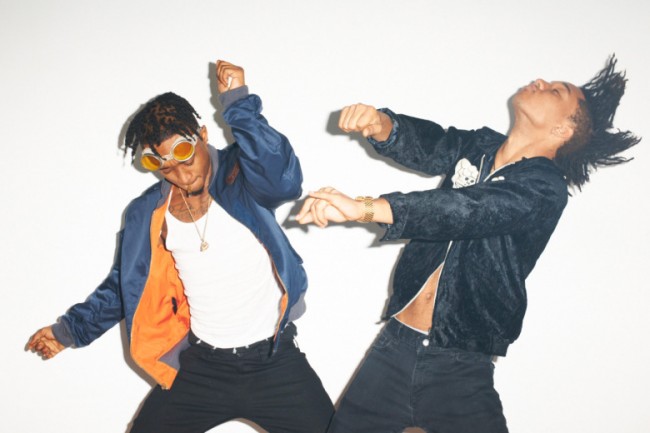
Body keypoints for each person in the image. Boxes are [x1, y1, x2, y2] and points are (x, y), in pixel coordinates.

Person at [296, 56, 639, 432]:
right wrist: (381, 124)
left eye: (557, 91)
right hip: (395, 346)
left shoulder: (545, 188)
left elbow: (467, 210)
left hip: (458, 365)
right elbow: (432, 143)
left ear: (563, 129)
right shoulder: (479, 146)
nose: (541, 80)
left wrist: (363, 208)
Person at [27, 60, 334, 433]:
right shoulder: (147, 213)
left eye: (185, 155)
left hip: (275, 361)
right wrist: (68, 332)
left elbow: (284, 180)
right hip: (203, 368)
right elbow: (126, 286)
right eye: (163, 165)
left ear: (202, 135)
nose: (180, 173)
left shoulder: (242, 175)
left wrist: (238, 103)